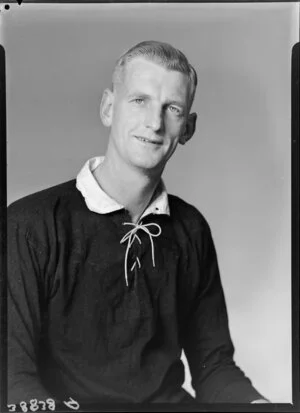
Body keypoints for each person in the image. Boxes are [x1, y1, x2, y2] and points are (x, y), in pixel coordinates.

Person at [7, 40, 270, 408]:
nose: (154, 122)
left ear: (188, 128)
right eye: (139, 100)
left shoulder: (190, 228)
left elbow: (214, 370)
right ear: (108, 108)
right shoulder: (28, 225)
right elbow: (13, 381)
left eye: (172, 108)